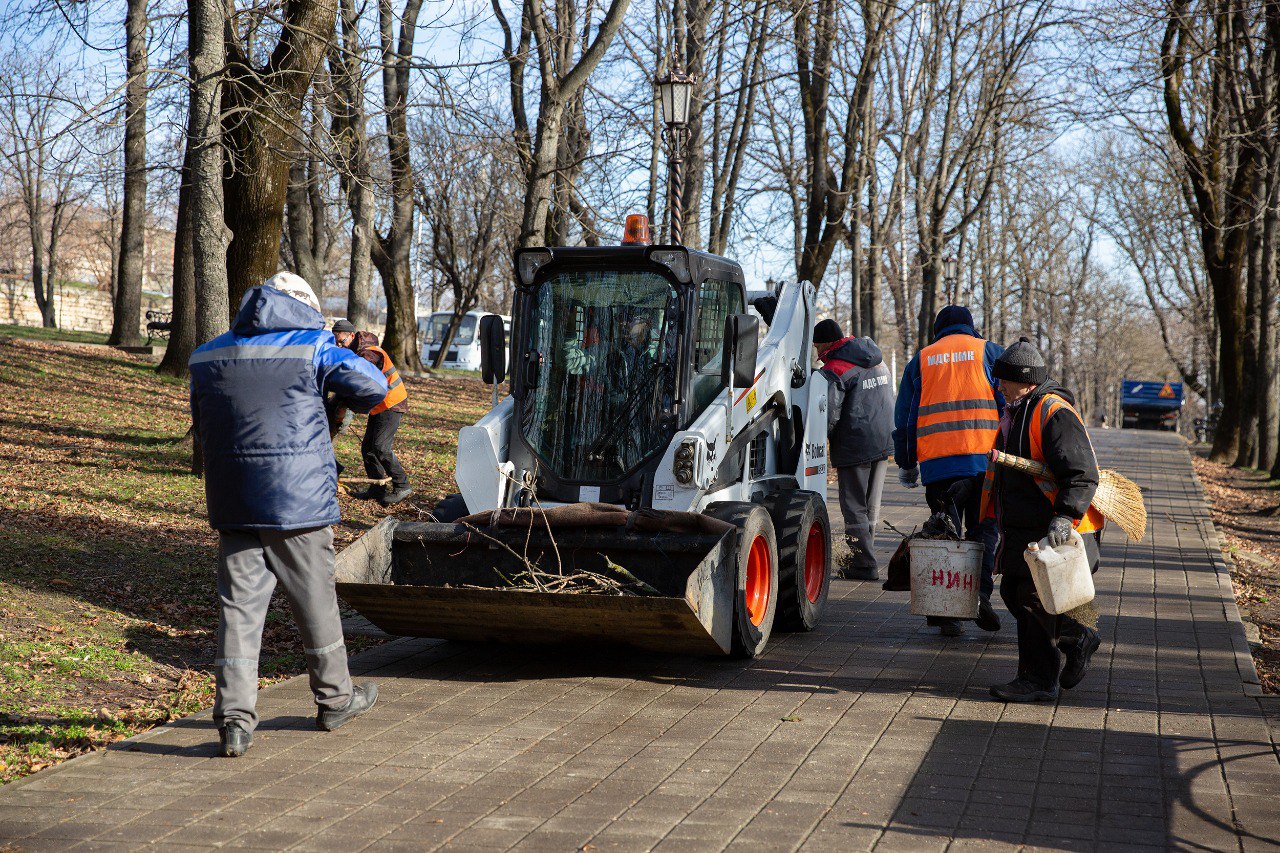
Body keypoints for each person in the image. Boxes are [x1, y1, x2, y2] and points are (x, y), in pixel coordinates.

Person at [189, 272, 387, 758]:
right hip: (298, 503)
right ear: (304, 307)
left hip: (234, 501)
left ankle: (234, 722)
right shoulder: (313, 347)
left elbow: (201, 423)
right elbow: (373, 386)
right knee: (315, 603)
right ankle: (336, 700)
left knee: (238, 612)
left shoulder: (207, 353)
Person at [980, 337, 1104, 702]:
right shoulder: (1018, 410)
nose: (998, 385)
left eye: (1004, 380)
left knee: (1032, 597)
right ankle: (1078, 638)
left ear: (1026, 380)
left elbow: (1082, 473)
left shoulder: (1054, 412)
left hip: (1055, 522)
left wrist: (1065, 516)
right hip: (1025, 522)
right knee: (1015, 593)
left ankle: (1038, 679)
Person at [894, 305, 1003, 637]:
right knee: (983, 531)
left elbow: (906, 417)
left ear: (938, 330)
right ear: (971, 327)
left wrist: (907, 462)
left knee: (946, 534)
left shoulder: (922, 359)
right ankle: (980, 595)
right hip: (985, 463)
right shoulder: (990, 353)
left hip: (939, 466)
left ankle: (946, 614)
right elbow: (1007, 406)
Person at [814, 319, 894, 581]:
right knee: (870, 505)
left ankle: (863, 564)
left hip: (854, 444)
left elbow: (829, 414)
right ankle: (866, 557)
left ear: (825, 343)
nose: (816, 353)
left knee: (853, 506)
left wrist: (814, 439)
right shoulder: (876, 357)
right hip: (882, 440)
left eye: (817, 346)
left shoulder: (835, 368)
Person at [348, 330, 412, 506]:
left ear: (351, 336)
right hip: (380, 406)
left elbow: (363, 378)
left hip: (392, 403)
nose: (338, 345)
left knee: (381, 448)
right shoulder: (358, 353)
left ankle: (402, 485)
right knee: (368, 448)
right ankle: (377, 488)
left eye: (340, 340)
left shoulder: (369, 353)